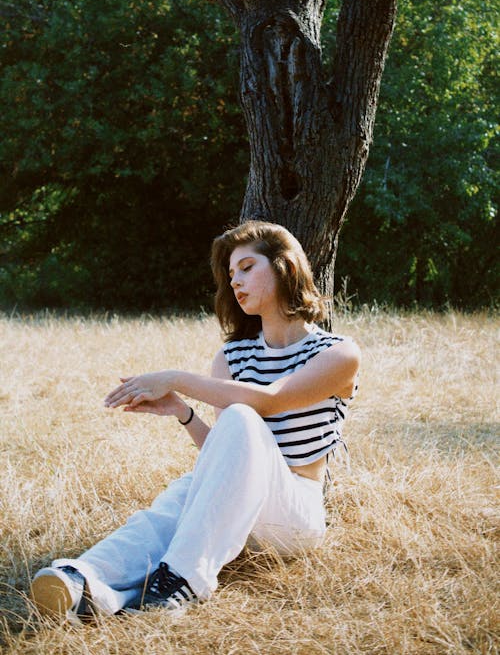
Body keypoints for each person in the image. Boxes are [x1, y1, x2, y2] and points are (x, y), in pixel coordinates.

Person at [30, 220, 360, 624]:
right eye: (231, 273)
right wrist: (183, 412)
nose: (235, 281)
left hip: (292, 517)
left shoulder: (337, 353)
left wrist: (177, 378)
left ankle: (181, 580)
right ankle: (87, 580)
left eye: (247, 267)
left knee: (240, 416)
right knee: (179, 498)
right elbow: (225, 452)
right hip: (234, 508)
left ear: (284, 266)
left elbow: (272, 403)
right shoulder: (233, 357)